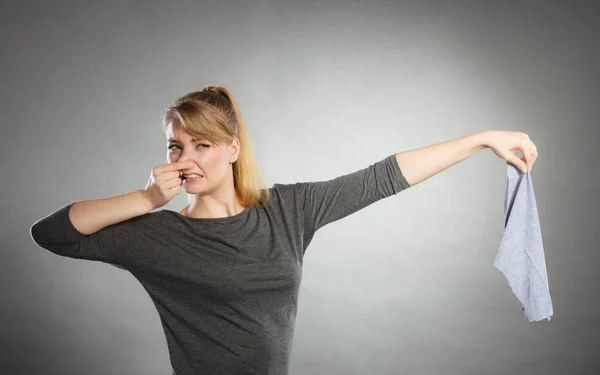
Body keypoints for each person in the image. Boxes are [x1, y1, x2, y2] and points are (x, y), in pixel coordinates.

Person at [30, 85, 538, 375]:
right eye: (175, 147)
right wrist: (144, 199)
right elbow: (52, 233)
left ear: (232, 148)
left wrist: (481, 140)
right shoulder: (155, 234)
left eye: (202, 145)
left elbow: (383, 177)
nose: (186, 159)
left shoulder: (286, 210)